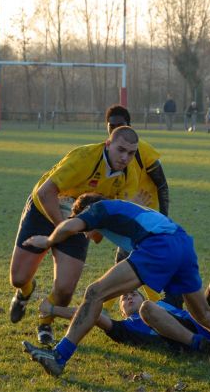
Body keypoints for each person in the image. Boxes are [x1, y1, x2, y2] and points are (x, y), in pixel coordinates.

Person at [22, 193, 210, 377]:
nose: (86, 235)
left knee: (94, 292)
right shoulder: (120, 213)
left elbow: (71, 226)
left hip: (159, 245)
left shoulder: (98, 209)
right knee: (203, 314)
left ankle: (59, 356)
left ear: (86, 212)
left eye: (84, 225)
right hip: (182, 243)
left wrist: (49, 239)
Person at [8, 126, 141, 345]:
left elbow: (111, 214)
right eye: (121, 150)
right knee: (19, 278)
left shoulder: (129, 177)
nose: (126, 157)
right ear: (108, 144)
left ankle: (45, 322)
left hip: (80, 219)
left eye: (131, 153)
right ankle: (25, 291)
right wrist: (62, 229)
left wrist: (95, 231)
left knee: (65, 290)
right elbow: (45, 193)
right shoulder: (84, 158)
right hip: (44, 209)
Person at [104, 104, 181, 308]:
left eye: (119, 125)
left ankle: (104, 307)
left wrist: (163, 219)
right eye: (111, 126)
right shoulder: (108, 153)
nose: (114, 130)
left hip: (149, 220)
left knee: (132, 265)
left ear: (129, 126)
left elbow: (162, 185)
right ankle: (165, 309)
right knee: (129, 264)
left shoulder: (142, 150)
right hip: (129, 218)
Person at [38, 289, 210, 357]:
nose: (128, 297)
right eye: (124, 298)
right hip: (181, 344)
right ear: (121, 311)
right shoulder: (124, 328)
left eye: (133, 294)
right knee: (148, 309)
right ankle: (201, 344)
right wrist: (52, 310)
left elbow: (179, 280)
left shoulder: (163, 304)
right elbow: (88, 314)